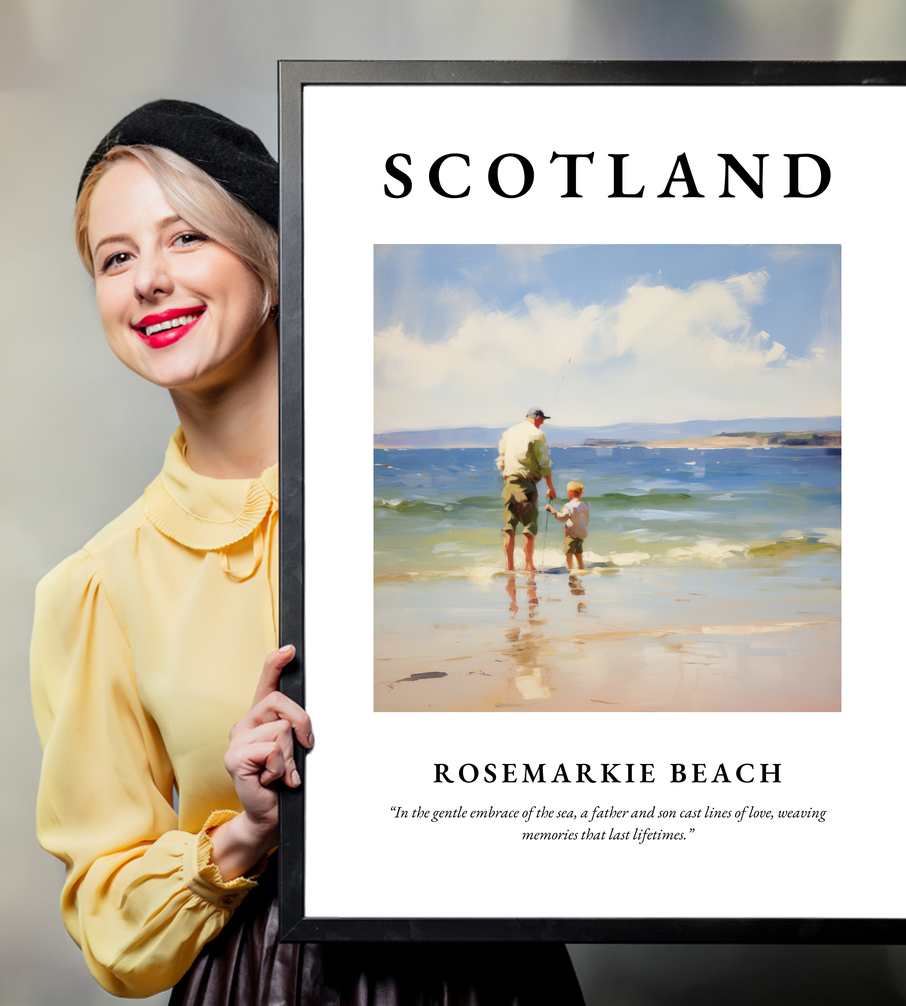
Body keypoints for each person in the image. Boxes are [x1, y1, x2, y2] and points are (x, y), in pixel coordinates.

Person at [30, 100, 584, 1004]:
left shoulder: (416, 504)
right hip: (264, 981)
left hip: (492, 971)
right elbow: (110, 923)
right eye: (116, 257)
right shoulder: (97, 587)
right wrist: (244, 832)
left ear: (273, 263)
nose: (148, 281)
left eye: (186, 238)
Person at [496, 408, 557, 571]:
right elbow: (544, 463)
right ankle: (529, 566)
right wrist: (551, 487)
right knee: (529, 527)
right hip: (527, 485)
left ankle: (509, 568)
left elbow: (501, 455)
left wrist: (505, 474)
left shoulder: (510, 432)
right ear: (536, 418)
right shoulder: (537, 434)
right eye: (542, 419)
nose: (543, 422)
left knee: (509, 528)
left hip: (509, 484)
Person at [545, 480, 589, 570]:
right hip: (581, 534)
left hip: (571, 534)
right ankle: (581, 567)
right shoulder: (585, 506)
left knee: (569, 552)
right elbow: (586, 520)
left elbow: (562, 518)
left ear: (571, 493)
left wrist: (552, 510)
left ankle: (570, 568)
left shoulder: (568, 506)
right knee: (578, 552)